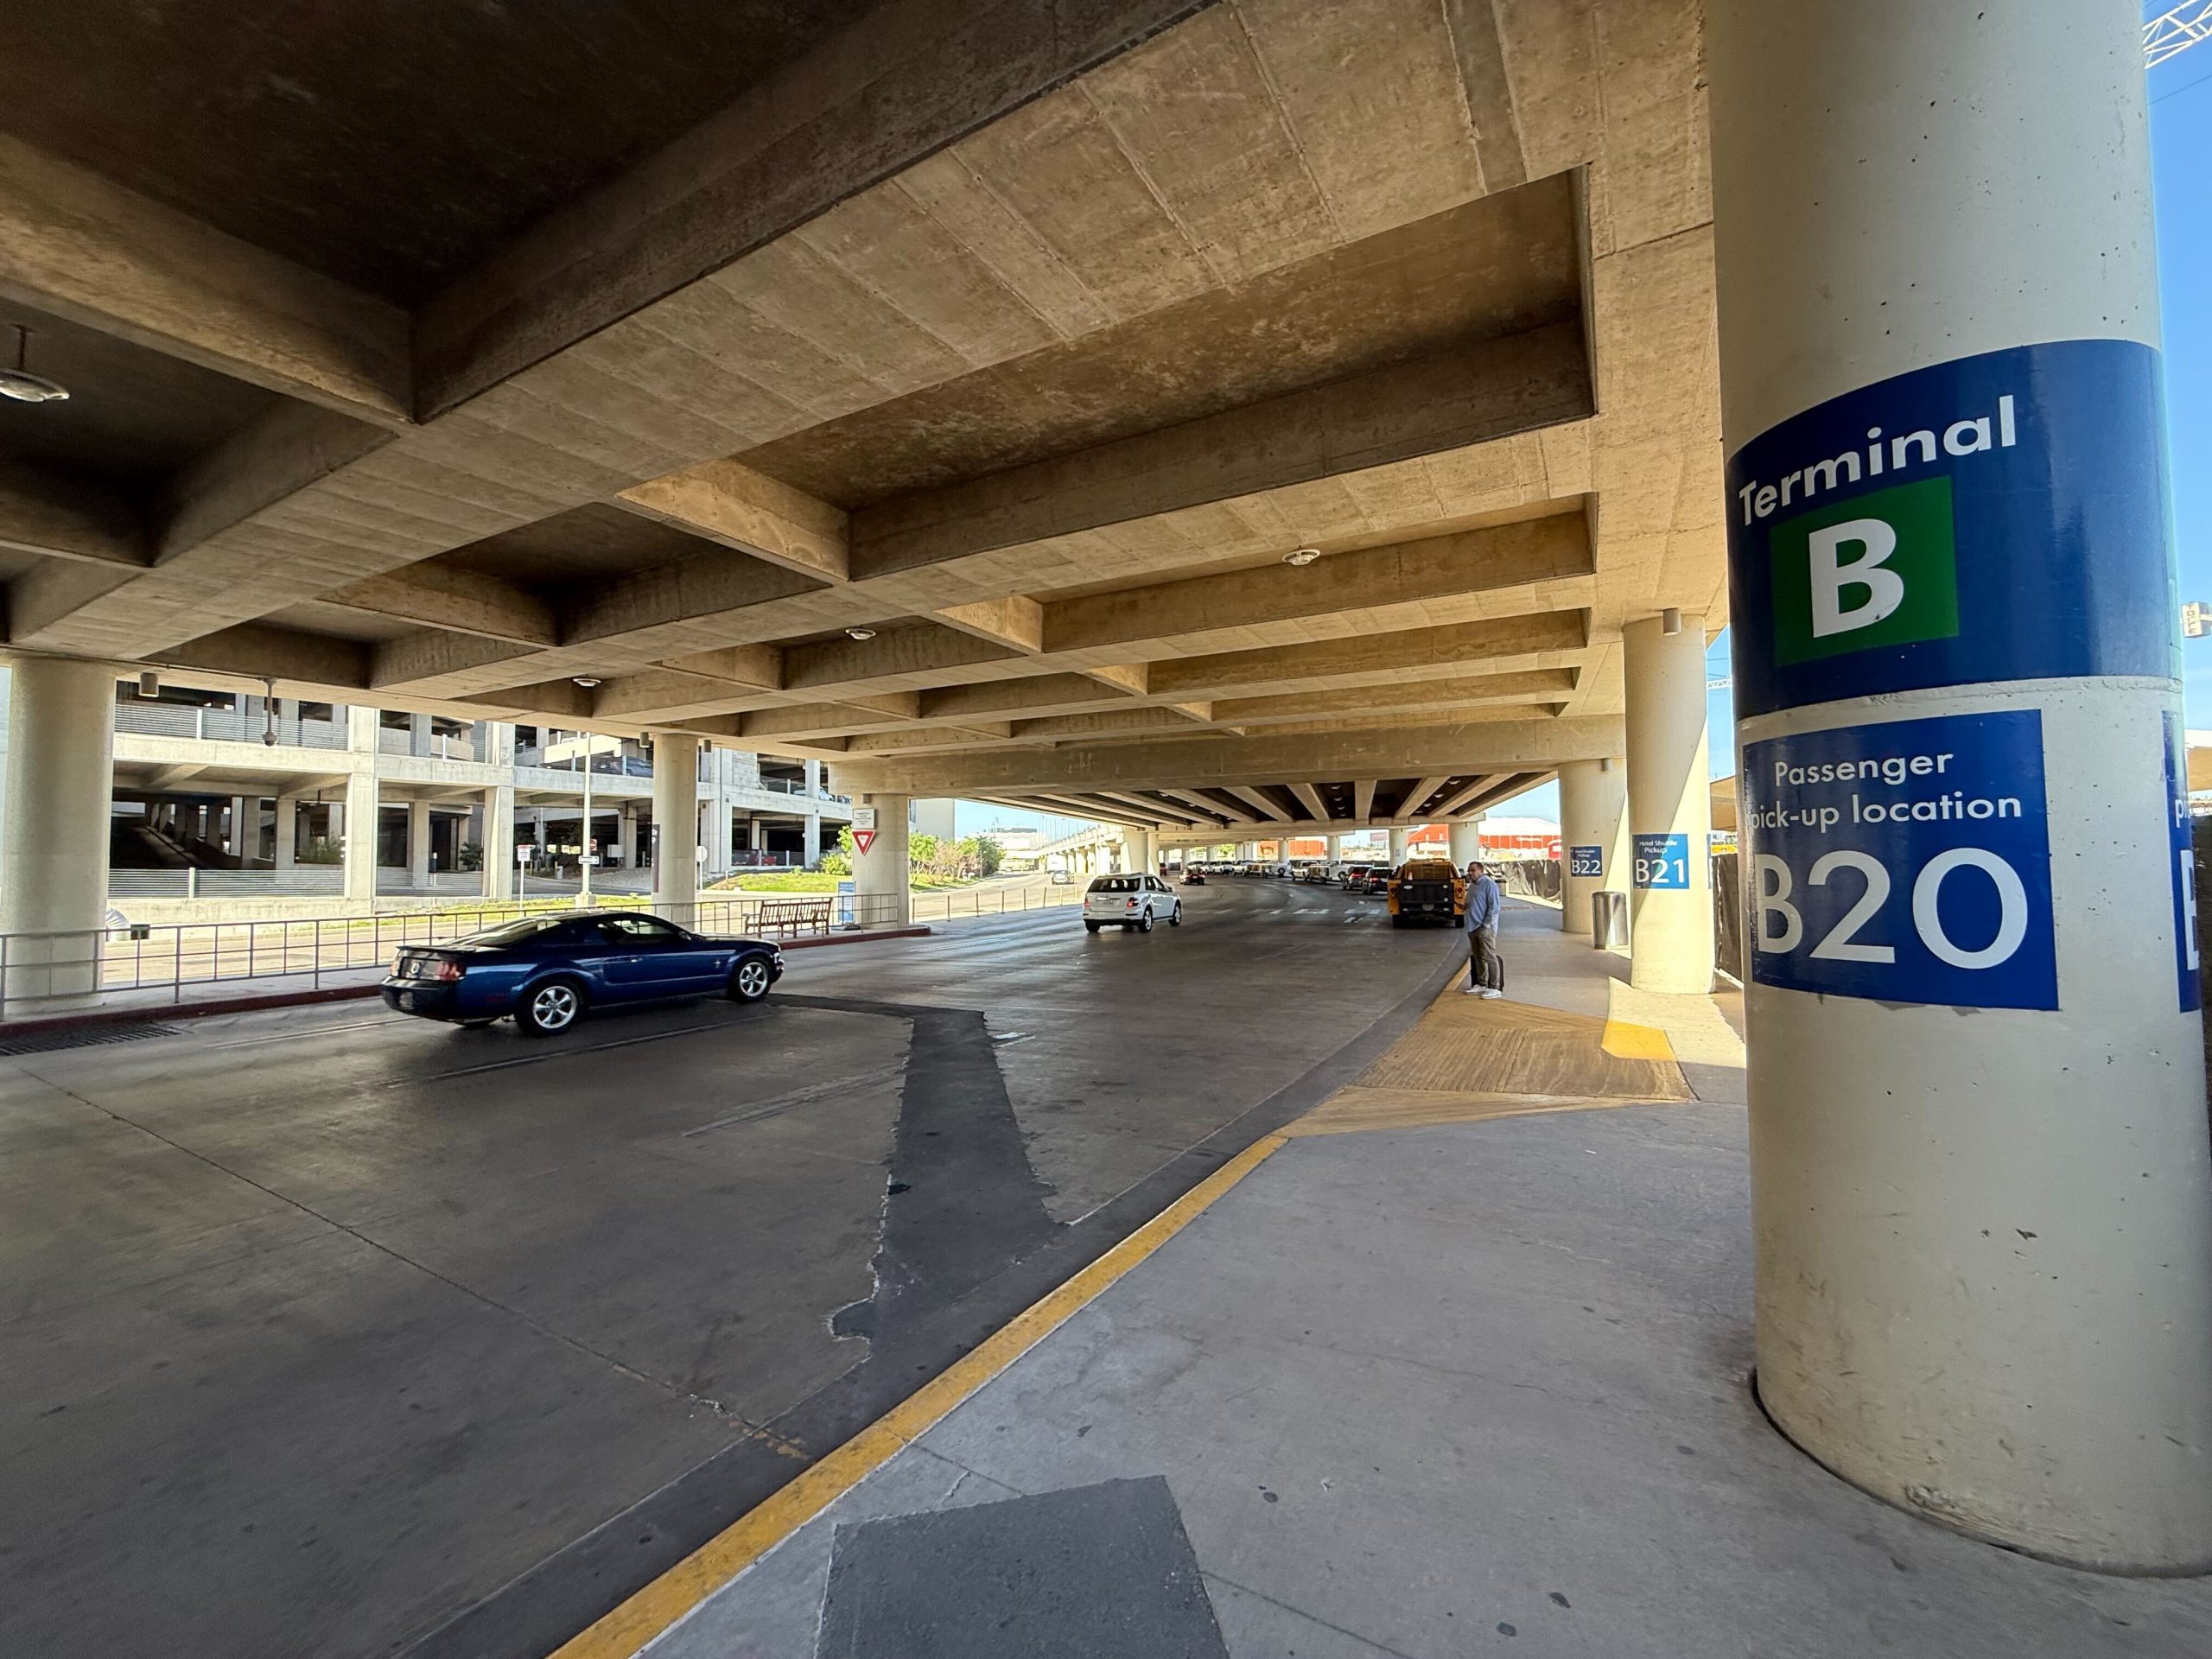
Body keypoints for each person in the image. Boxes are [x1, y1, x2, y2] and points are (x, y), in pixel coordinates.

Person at [1462, 861, 1503, 997]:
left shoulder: (1489, 885)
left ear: (1481, 870)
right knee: (1478, 956)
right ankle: (1481, 983)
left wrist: (1486, 924)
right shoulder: (1473, 887)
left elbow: (1494, 907)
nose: (1470, 873)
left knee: (1489, 956)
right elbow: (1471, 903)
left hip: (1485, 927)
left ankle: (1494, 986)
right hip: (1472, 926)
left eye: (1473, 870)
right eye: (1469, 871)